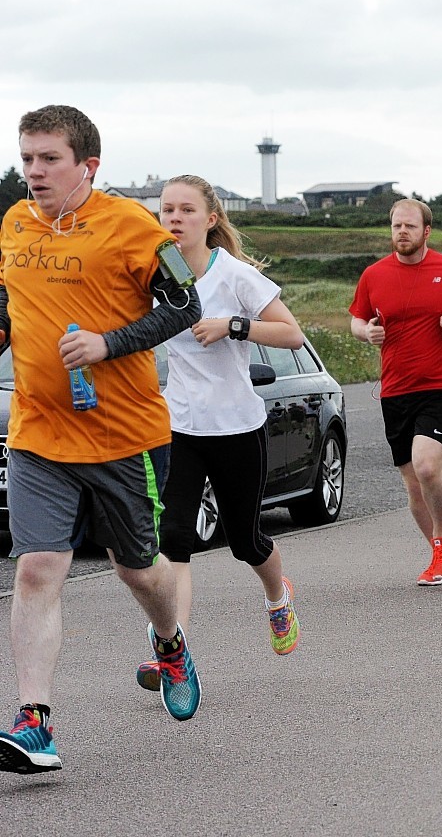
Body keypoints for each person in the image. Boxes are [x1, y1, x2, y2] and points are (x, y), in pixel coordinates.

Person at [0, 105, 205, 774]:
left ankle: (169, 642)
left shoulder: (135, 227)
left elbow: (186, 307)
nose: (34, 171)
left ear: (88, 164)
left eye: (48, 158)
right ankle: (34, 722)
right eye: (27, 157)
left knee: (136, 569)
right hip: (36, 431)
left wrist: (108, 343)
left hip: (125, 436)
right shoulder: (12, 223)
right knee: (36, 567)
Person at [132, 174, 305, 695]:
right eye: (167, 211)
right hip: (179, 425)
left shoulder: (233, 276)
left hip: (236, 426)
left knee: (245, 541)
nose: (175, 219)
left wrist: (234, 326)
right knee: (175, 541)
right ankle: (173, 650)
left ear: (210, 219)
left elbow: (292, 334)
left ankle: (277, 599)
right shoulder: (155, 276)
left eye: (186, 210)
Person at [349, 198, 442, 586]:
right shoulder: (374, 275)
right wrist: (367, 332)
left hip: (441, 385)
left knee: (428, 465)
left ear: (426, 231)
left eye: (410, 226)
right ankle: (437, 550)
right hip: (395, 389)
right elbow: (357, 320)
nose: (402, 232)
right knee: (413, 484)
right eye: (396, 226)